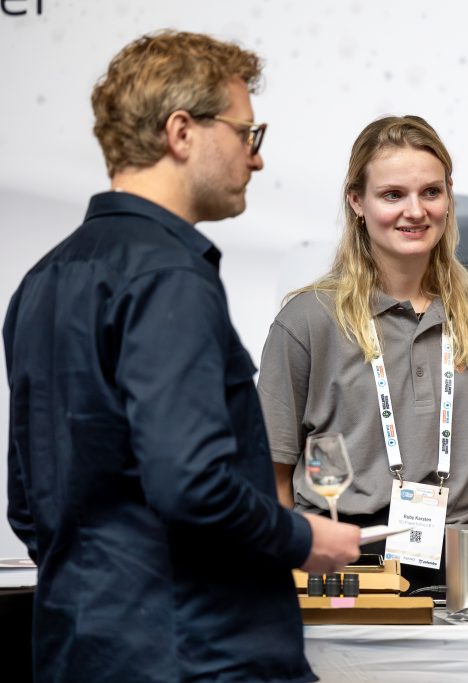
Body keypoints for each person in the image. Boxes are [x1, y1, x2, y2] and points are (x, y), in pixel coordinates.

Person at [4, 30, 361, 683]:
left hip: (77, 652)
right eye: (247, 133)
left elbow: (26, 506)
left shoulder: (40, 283)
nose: (256, 160)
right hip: (202, 657)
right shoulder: (170, 276)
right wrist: (302, 538)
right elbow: (189, 481)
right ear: (181, 132)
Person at [257, 115, 468, 592]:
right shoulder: (306, 321)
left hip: (456, 565)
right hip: (339, 565)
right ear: (357, 201)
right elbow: (271, 473)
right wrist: (296, 571)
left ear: (449, 197)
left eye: (431, 192)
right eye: (393, 195)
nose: (415, 212)